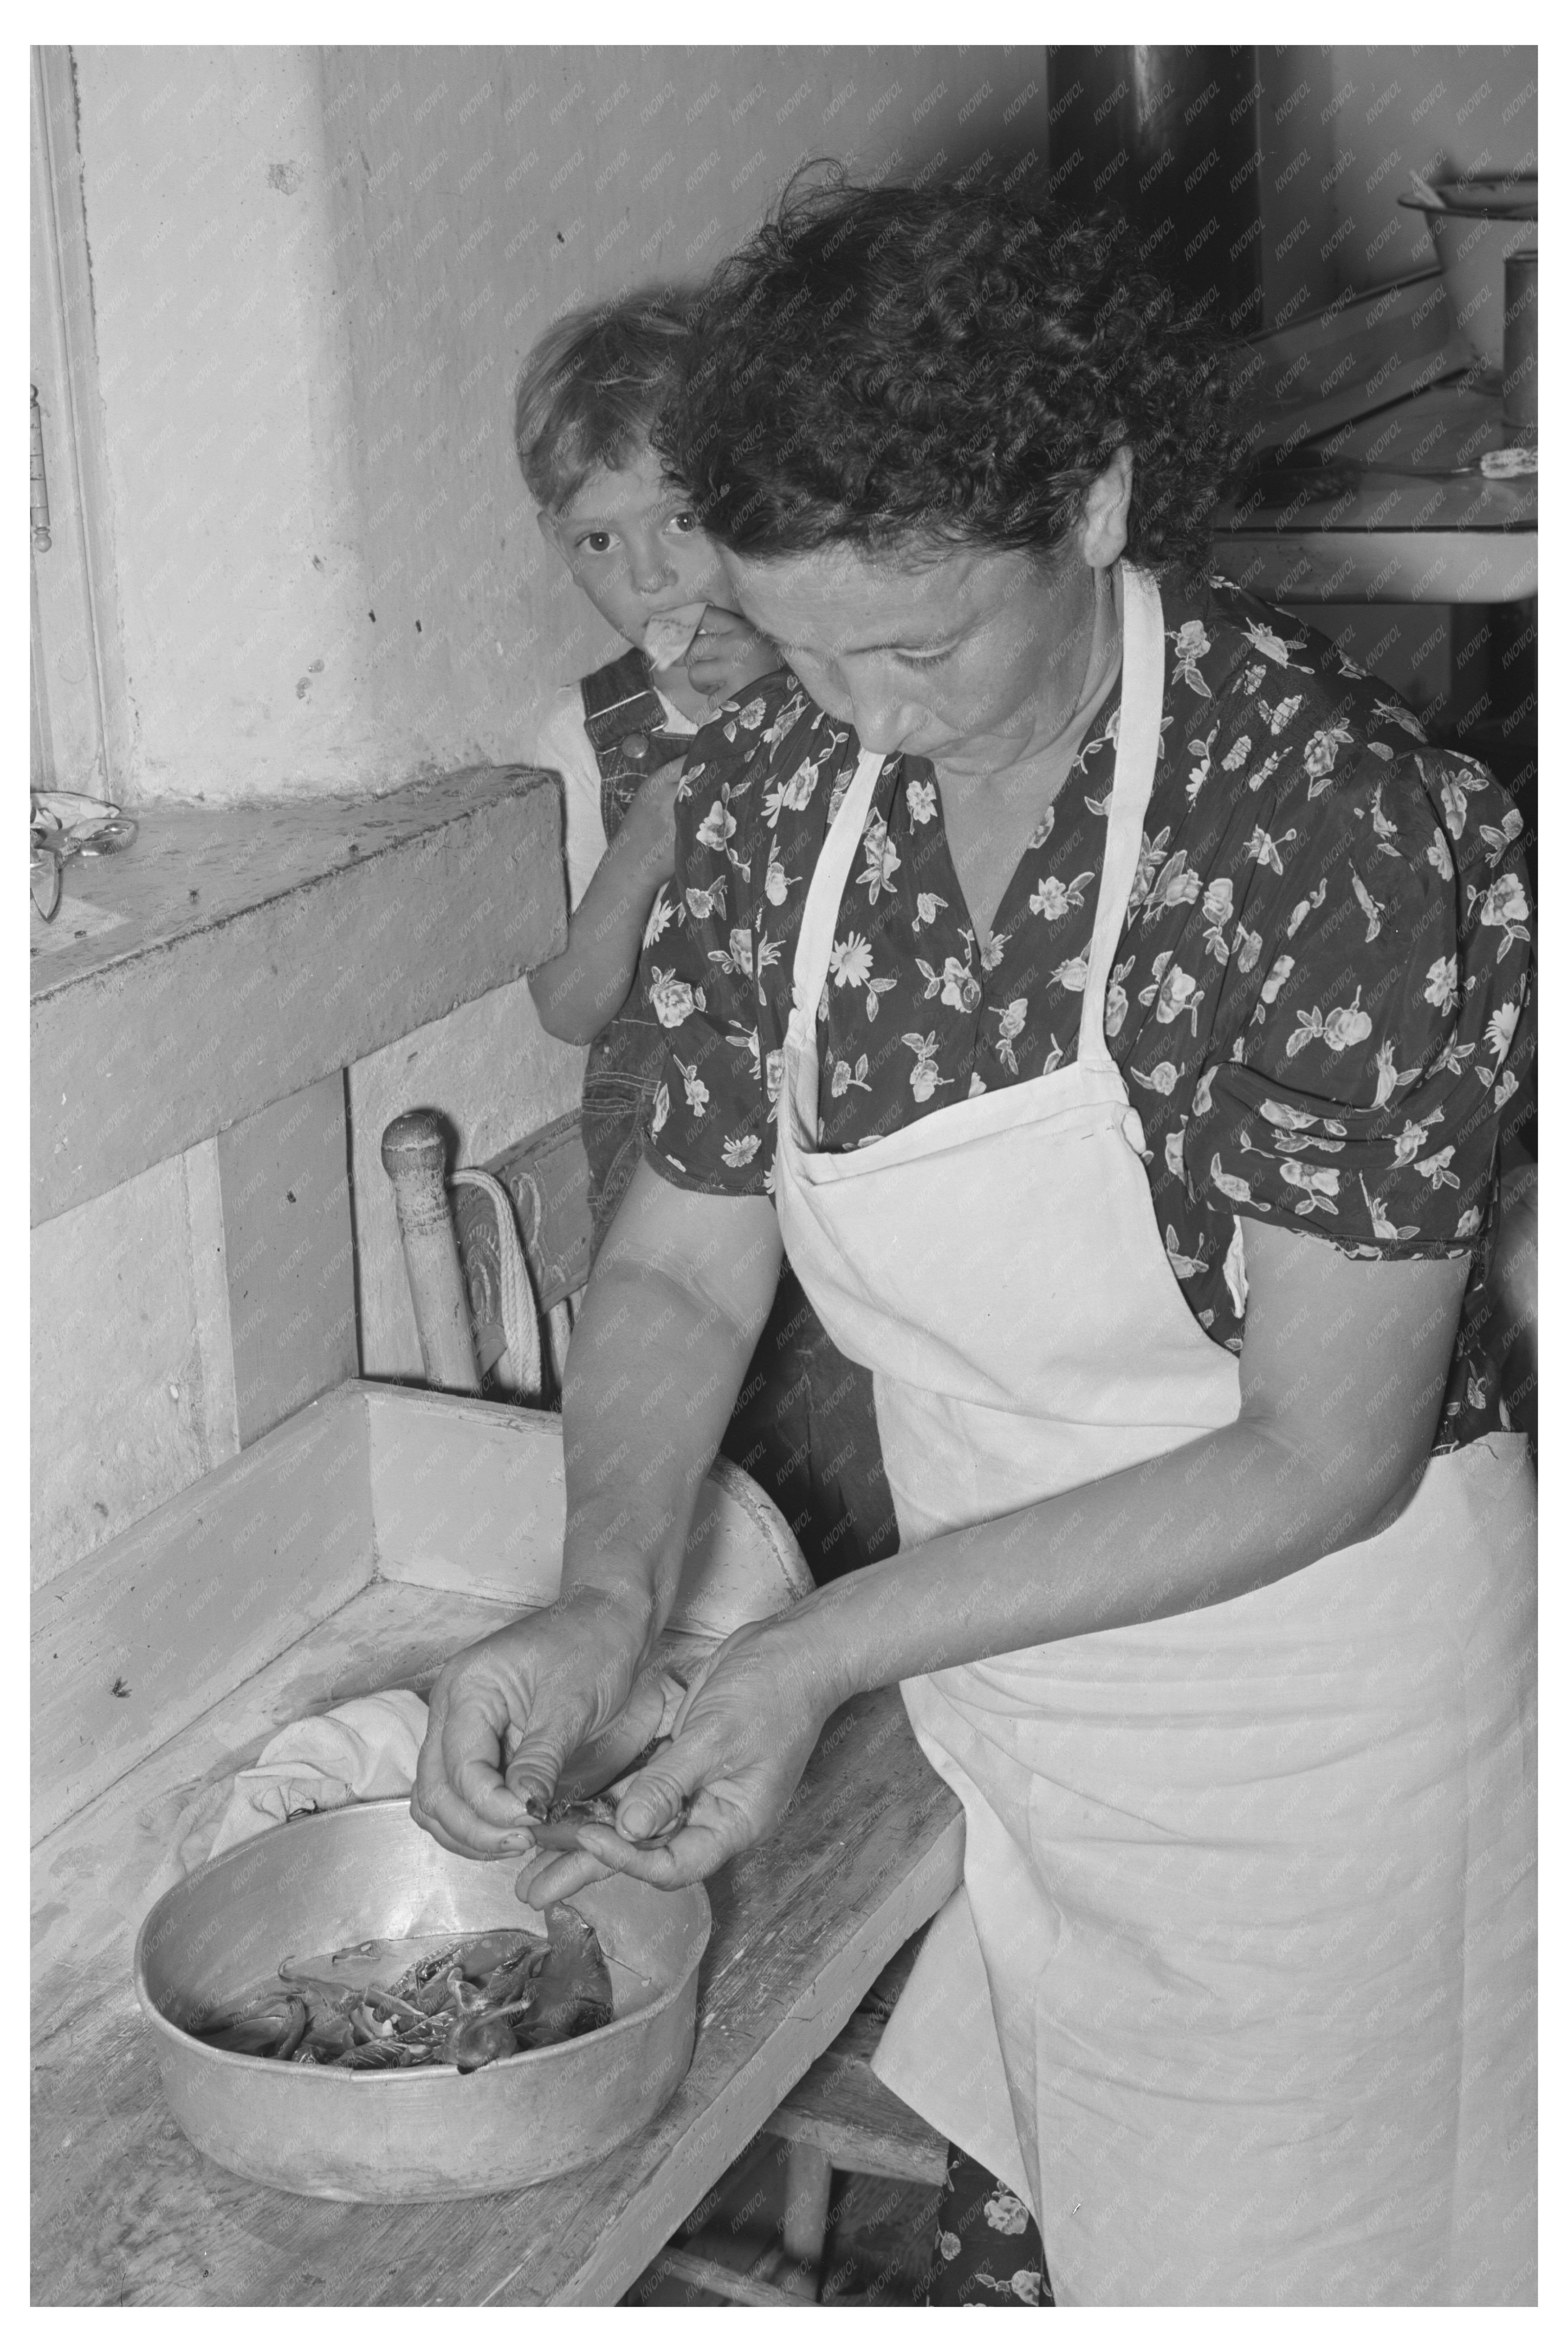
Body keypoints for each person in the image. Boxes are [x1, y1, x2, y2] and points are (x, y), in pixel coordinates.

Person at [419, 180, 1536, 2305]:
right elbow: (676, 1258)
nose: (865, 707)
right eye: (806, 641)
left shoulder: (1331, 830)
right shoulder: (772, 789)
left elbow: (1324, 1450)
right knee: (1080, 2221)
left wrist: (815, 1649)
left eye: (920, 639)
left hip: (1298, 1726)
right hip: (995, 1677)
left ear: (1095, 502)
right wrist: (602, 1587)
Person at [517, 293, 897, 1578]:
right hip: (658, 1136)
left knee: (860, 1395)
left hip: (843, 1108)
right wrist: (653, 834)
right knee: (723, 1441)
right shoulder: (582, 738)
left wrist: (801, 705)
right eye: (597, 541)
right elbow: (569, 1003)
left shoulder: (846, 677)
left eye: (683, 518)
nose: (650, 578)